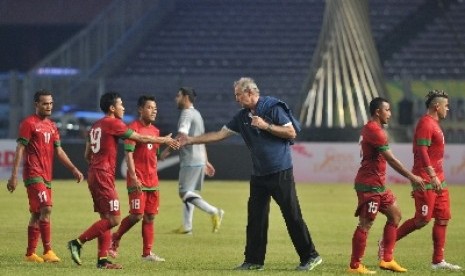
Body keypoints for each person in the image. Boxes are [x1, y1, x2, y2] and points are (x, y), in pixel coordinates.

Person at [179, 78, 321, 271]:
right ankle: (254, 260)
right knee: (256, 217)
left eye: (238, 94)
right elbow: (219, 135)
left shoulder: (272, 107)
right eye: (235, 95)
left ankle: (310, 256)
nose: (236, 98)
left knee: (291, 215)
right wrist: (190, 140)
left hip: (280, 171)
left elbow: (291, 132)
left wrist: (266, 126)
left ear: (251, 92)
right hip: (259, 173)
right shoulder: (242, 117)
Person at [67, 92, 179, 269]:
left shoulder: (95, 125)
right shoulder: (113, 123)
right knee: (114, 219)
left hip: (95, 174)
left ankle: (102, 260)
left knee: (106, 218)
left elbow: (87, 154)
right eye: (121, 105)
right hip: (104, 176)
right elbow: (140, 138)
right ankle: (77, 242)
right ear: (112, 108)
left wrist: (98, 164)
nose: (123, 108)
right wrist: (164, 139)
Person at [6, 89, 84, 263]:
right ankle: (48, 251)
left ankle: (30, 254)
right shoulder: (29, 123)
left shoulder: (52, 125)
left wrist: (73, 169)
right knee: (46, 207)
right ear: (36, 104)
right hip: (33, 174)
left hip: (46, 176)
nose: (48, 106)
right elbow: (20, 148)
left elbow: (59, 150)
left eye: (50, 103)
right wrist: (14, 175)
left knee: (36, 213)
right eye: (44, 103)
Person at [348, 97, 424, 274]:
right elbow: (390, 159)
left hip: (378, 185)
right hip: (369, 186)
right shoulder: (375, 131)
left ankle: (387, 260)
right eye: (387, 110)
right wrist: (412, 177)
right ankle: (355, 266)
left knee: (395, 215)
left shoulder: (371, 128)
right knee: (365, 223)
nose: (390, 113)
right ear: (377, 112)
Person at [393, 90, 462, 270]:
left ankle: (438, 261)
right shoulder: (425, 123)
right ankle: (386, 244)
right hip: (426, 178)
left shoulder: (435, 124)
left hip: (439, 179)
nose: (448, 109)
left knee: (443, 217)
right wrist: (431, 175)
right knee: (422, 219)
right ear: (436, 106)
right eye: (446, 106)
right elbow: (422, 151)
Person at [108, 95, 166, 262]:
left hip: (152, 181)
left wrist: (170, 146)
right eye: (149, 107)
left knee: (150, 217)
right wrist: (133, 176)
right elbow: (128, 154)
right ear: (140, 109)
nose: (154, 110)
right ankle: (115, 237)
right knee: (136, 215)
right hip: (138, 180)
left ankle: (147, 253)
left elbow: (157, 157)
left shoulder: (155, 132)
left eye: (155, 108)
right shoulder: (133, 128)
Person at [160, 87, 224, 234]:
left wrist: (166, 151)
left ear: (186, 97)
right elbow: (201, 139)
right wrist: (206, 160)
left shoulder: (187, 114)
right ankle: (187, 227)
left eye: (178, 96)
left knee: (184, 193)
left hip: (191, 159)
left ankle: (215, 211)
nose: (176, 99)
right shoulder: (197, 114)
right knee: (190, 192)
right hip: (199, 158)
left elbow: (182, 136)